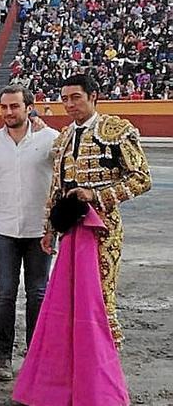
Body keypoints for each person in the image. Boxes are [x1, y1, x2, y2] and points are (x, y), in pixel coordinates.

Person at [40, 74, 152, 347]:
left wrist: (97, 195)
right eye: (65, 99)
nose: (69, 104)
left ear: (93, 96)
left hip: (104, 227)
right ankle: (80, 358)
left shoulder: (115, 130)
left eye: (76, 97)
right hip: (70, 229)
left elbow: (142, 178)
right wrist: (49, 231)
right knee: (72, 296)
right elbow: (58, 186)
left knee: (101, 295)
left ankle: (104, 363)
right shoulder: (65, 136)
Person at [0, 85, 58, 381]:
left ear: (29, 107)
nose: (8, 112)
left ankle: (35, 356)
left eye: (14, 106)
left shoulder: (50, 139)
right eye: (4, 107)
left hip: (40, 231)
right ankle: (3, 357)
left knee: (38, 295)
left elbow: (61, 180)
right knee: (5, 294)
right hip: (4, 229)